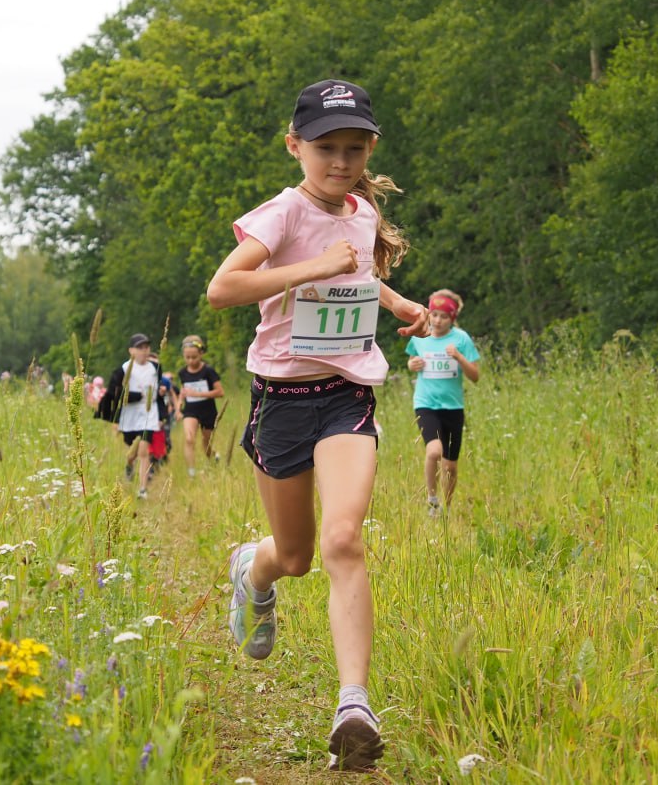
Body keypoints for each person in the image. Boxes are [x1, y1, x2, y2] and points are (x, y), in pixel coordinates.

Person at [206, 78, 428, 771]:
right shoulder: (280, 214)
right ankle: (254, 568)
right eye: (327, 148)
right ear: (295, 146)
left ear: (370, 150)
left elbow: (353, 274)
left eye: (354, 149)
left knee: (343, 539)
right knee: (296, 554)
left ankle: (354, 703)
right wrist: (309, 266)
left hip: (347, 393)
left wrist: (392, 301)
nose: (341, 162)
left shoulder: (361, 212)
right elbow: (222, 289)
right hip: (281, 400)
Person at [405, 289, 481, 515]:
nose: (437, 320)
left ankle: (446, 508)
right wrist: (412, 365)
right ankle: (432, 500)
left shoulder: (461, 339)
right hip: (425, 403)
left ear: (453, 318)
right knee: (433, 451)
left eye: (443, 316)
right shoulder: (420, 335)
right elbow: (411, 360)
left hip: (453, 407)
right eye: (434, 314)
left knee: (450, 466)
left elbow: (475, 376)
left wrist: (458, 357)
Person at [97, 333, 161, 500]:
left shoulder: (155, 368)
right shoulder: (123, 370)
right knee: (132, 452)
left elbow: (159, 391)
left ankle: (142, 489)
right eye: (140, 347)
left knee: (143, 450)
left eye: (146, 347)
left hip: (149, 414)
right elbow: (114, 393)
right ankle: (129, 465)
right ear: (131, 350)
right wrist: (134, 396)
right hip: (130, 415)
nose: (144, 351)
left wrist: (161, 403)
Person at [174, 335, 224, 477]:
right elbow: (183, 393)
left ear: (201, 354)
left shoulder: (208, 371)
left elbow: (220, 392)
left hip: (208, 410)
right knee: (189, 439)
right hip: (190, 410)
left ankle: (213, 459)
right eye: (187, 357)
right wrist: (178, 409)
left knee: (206, 444)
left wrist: (198, 394)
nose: (190, 360)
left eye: (194, 357)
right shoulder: (182, 373)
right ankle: (191, 473)